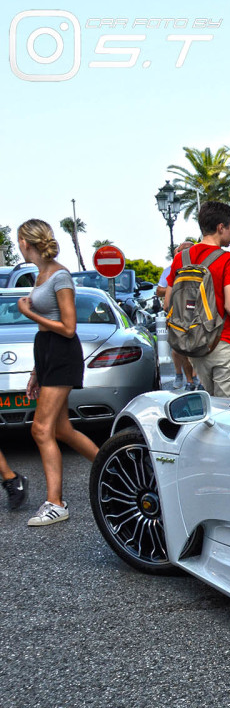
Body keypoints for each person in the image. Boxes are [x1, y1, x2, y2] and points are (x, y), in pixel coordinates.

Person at [14, 219, 100, 526]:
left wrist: (29, 312)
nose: (17, 245)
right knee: (61, 430)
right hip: (48, 353)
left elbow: (68, 327)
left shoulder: (60, 276)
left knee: (40, 429)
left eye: (18, 240)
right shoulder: (41, 275)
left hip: (63, 353)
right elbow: (47, 328)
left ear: (27, 241)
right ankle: (113, 469)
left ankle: (56, 503)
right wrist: (36, 371)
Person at [166, 202, 230, 398]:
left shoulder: (181, 258)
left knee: (210, 404)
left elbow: (167, 304)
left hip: (196, 344)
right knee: (226, 409)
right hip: (224, 341)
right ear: (220, 227)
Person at [160, 239, 199, 390]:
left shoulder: (178, 271)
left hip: (182, 315)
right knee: (184, 349)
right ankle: (191, 379)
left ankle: (192, 380)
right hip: (187, 315)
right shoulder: (176, 271)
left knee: (184, 349)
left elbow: (166, 302)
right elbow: (164, 298)